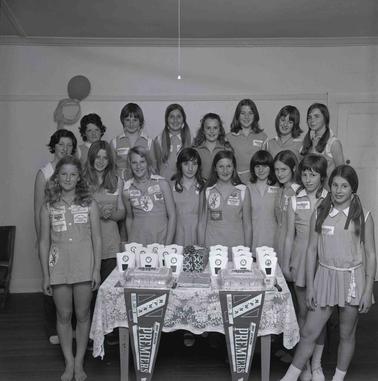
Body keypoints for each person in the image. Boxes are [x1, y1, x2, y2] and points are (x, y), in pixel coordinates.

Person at [280, 165, 376, 381]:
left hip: (352, 279)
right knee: (309, 332)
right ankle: (290, 377)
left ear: (353, 189)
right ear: (329, 186)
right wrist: (312, 287)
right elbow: (312, 250)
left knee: (346, 333)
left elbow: (370, 254)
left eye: (344, 186)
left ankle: (338, 378)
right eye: (335, 185)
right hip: (324, 277)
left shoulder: (363, 216)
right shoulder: (320, 212)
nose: (339, 190)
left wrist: (368, 289)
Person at [39, 156, 101, 381]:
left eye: (72, 174)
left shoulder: (89, 203)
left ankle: (79, 361)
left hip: (84, 266)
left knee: (83, 314)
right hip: (59, 267)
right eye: (63, 174)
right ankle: (68, 361)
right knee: (64, 315)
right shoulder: (48, 206)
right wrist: (46, 275)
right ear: (57, 177)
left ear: (79, 178)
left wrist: (96, 270)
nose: (68, 178)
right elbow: (44, 242)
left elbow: (97, 238)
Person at [283, 154, 328, 381]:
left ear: (322, 176)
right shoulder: (294, 199)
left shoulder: (330, 199)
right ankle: (306, 366)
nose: (308, 179)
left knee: (319, 316)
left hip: (324, 260)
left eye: (314, 174)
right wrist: (286, 261)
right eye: (305, 174)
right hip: (301, 259)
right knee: (303, 312)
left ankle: (318, 364)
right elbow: (289, 235)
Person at [34, 129, 77, 345]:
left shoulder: (74, 170)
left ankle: (73, 327)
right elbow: (38, 210)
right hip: (51, 238)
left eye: (69, 145)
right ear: (54, 145)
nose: (65, 149)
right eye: (61, 144)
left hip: (72, 239)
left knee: (72, 283)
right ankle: (54, 328)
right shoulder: (45, 172)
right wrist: (43, 240)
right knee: (51, 282)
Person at [84, 141, 125, 282]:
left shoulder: (117, 181)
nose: (101, 161)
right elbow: (75, 213)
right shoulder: (82, 182)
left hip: (111, 244)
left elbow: (122, 212)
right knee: (91, 292)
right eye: (97, 157)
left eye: (105, 158)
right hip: (87, 244)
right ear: (91, 158)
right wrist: (96, 214)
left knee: (109, 289)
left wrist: (112, 215)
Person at [198, 150, 252, 254]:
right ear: (215, 168)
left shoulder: (243, 190)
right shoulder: (207, 190)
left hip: (236, 249)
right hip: (212, 248)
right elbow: (201, 224)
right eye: (221, 167)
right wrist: (201, 249)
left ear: (234, 168)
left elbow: (248, 225)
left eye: (229, 166)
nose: (225, 171)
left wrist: (246, 251)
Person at [123, 146, 176, 245]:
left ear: (148, 163)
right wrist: (131, 244)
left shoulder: (162, 183)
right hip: (138, 241)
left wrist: (167, 244)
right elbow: (129, 218)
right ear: (130, 165)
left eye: (142, 162)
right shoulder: (127, 189)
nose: (138, 166)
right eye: (134, 163)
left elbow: (172, 215)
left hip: (160, 241)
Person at [226, 99, 267, 183]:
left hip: (256, 183)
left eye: (250, 113)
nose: (246, 117)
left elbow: (265, 164)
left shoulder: (263, 137)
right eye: (243, 113)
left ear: (255, 115)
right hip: (235, 183)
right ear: (237, 115)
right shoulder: (228, 138)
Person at [300, 103, 344, 180]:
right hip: (309, 189)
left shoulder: (333, 143)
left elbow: (341, 172)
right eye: (309, 117)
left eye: (316, 116)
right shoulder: (308, 141)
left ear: (325, 118)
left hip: (327, 190)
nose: (312, 120)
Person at [247, 150, 279, 255]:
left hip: (273, 244)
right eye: (257, 166)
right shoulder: (247, 187)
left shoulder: (278, 187)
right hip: (252, 243)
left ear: (271, 167)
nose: (261, 170)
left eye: (265, 166)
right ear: (253, 168)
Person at [171, 147, 205, 246]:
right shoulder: (171, 186)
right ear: (179, 165)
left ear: (198, 166)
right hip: (177, 234)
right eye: (186, 164)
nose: (190, 168)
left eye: (194, 164)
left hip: (199, 234)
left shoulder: (205, 186)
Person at [110, 103, 153, 179]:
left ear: (140, 121)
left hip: (143, 185)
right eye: (127, 120)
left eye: (135, 120)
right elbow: (111, 169)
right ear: (122, 121)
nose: (131, 124)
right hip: (121, 185)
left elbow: (153, 168)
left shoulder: (149, 142)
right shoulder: (114, 142)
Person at [273, 150, 299, 267]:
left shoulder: (299, 192)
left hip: (293, 248)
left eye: (283, 169)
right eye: (277, 170)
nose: (279, 174)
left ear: (293, 169)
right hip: (278, 244)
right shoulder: (279, 190)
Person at [152, 103, 192, 180]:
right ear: (166, 119)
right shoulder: (158, 140)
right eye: (171, 117)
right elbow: (156, 167)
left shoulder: (191, 139)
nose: (175, 120)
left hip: (183, 183)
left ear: (183, 119)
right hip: (164, 183)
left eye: (179, 117)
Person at [192, 112, 233, 181]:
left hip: (220, 187)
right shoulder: (196, 150)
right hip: (201, 187)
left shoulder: (226, 149)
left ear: (220, 130)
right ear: (203, 131)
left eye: (215, 128)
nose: (212, 131)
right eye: (208, 128)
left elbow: (231, 171)